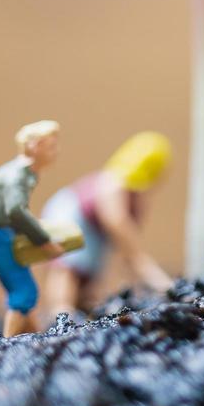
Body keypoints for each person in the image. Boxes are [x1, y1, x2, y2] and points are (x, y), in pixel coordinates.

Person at [41, 131, 175, 318]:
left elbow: (129, 247)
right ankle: (61, 312)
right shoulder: (112, 186)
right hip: (71, 216)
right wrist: (160, 281)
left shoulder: (135, 198)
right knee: (69, 265)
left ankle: (80, 311)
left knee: (90, 274)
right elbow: (119, 229)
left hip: (94, 232)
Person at [0, 120, 66, 336]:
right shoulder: (18, 177)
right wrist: (44, 242)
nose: (55, 152)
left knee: (21, 284)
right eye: (50, 147)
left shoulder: (25, 171)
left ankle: (37, 336)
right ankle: (4, 347)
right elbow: (17, 211)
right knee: (23, 291)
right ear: (34, 147)